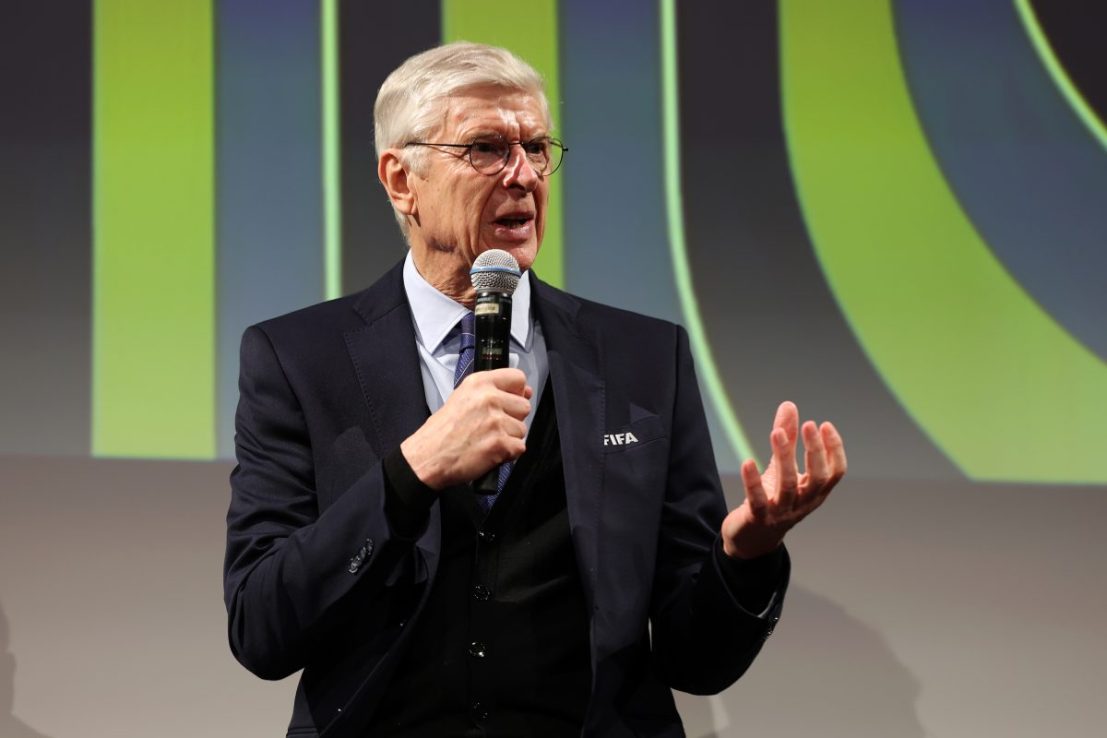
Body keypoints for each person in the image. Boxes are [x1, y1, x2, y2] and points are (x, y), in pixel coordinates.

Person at [223, 42, 846, 738]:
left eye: (536, 148)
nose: (522, 176)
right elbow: (261, 629)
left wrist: (745, 555)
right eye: (486, 149)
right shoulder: (297, 359)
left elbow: (692, 660)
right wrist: (411, 472)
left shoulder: (642, 358)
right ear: (402, 181)